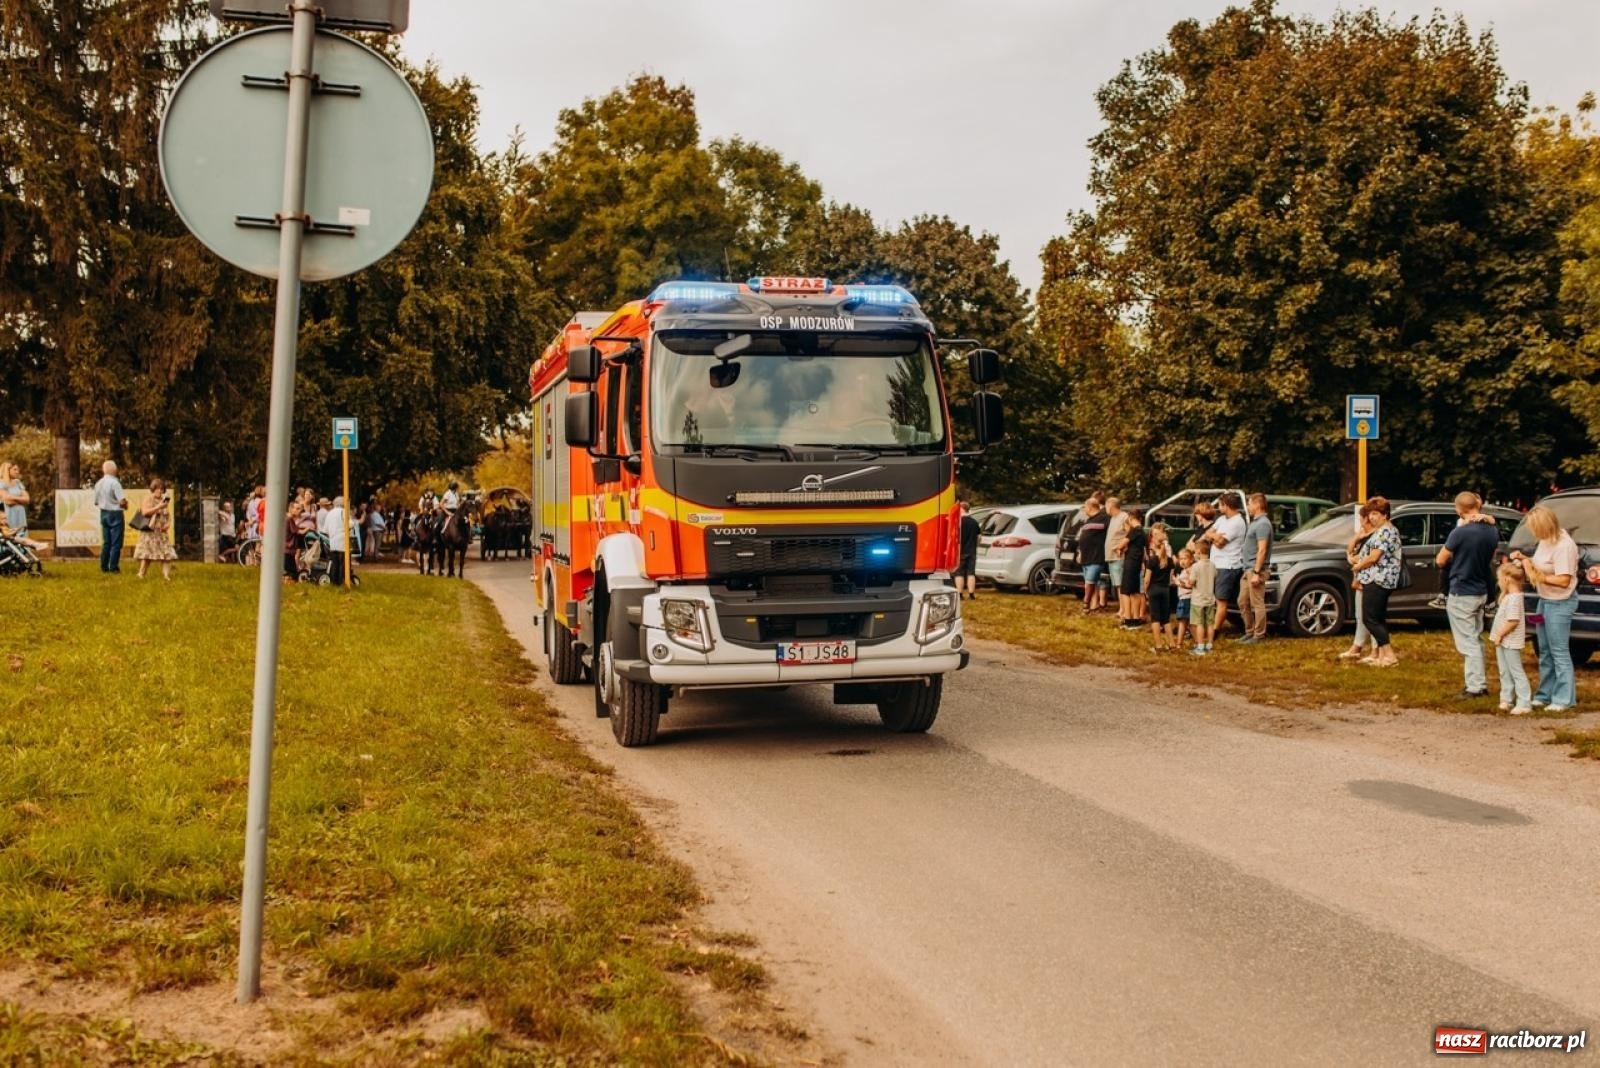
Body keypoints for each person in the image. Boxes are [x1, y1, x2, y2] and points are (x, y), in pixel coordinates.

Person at [1512, 504, 1580, 712]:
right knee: (1545, 650)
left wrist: (1536, 575)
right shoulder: (1545, 541)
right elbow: (1542, 563)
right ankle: (1545, 693)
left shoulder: (1564, 546)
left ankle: (1563, 698)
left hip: (1560, 602)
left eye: (1535, 528)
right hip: (1544, 600)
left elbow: (1563, 580)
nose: (1533, 532)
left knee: (1559, 650)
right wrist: (1525, 560)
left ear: (1544, 526)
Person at [1435, 491, 1500, 700]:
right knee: (1476, 637)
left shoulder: (1459, 533)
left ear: (1459, 509)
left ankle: (1475, 686)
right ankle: (1478, 682)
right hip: (1480, 588)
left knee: (1467, 642)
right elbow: (1491, 557)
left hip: (1461, 589)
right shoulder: (1491, 531)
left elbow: (1440, 560)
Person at [1348, 496, 1402, 667]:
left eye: (1376, 513)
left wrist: (1358, 567)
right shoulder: (1381, 531)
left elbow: (1374, 557)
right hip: (1374, 577)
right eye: (1370, 514)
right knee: (1376, 617)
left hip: (1379, 578)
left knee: (1370, 618)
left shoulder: (1387, 531)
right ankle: (1382, 656)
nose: (1372, 517)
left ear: (1385, 515)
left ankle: (1390, 656)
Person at [1490, 561, 1533, 715]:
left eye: (1499, 579)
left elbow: (1513, 621)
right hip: (1502, 641)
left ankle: (1524, 702)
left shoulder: (1515, 599)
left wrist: (1500, 634)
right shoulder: (1509, 597)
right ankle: (1506, 698)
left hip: (1509, 641)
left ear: (1507, 579)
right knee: (1504, 670)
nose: (1499, 582)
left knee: (1515, 670)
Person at [1206, 492, 1247, 637]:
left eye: (1220, 504)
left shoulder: (1237, 522)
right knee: (1216, 598)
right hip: (1216, 563)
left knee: (1221, 600)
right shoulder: (1222, 519)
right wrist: (1214, 537)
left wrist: (1215, 538)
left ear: (1227, 505)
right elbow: (1208, 533)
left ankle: (1215, 630)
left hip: (1228, 565)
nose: (1218, 507)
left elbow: (1221, 543)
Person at [1237, 493, 1274, 644]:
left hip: (1255, 569)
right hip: (1248, 569)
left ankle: (1259, 634)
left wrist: (1257, 573)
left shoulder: (1263, 524)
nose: (1248, 507)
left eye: (1250, 504)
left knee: (1257, 602)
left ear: (1258, 505)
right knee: (1242, 601)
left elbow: (1262, 549)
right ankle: (1249, 630)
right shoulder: (1255, 522)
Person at [133, 478, 177, 581]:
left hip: (162, 532)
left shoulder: (163, 500)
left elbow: (168, 515)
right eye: (157, 488)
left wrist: (168, 524)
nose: (159, 491)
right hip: (150, 532)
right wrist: (158, 506)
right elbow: (145, 512)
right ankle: (141, 574)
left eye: (161, 489)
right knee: (147, 555)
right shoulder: (148, 498)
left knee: (167, 555)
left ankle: (166, 576)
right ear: (153, 489)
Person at [1145, 522, 1176, 652]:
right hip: (1165, 589)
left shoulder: (1152, 561)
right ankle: (1172, 643)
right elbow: (1170, 577)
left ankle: (1158, 645)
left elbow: (1147, 579)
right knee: (1166, 618)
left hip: (1154, 589)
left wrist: (1146, 591)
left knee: (1155, 618)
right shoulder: (1169, 561)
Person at [1076, 498, 1111, 614]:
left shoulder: (1104, 518)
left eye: (1085, 507)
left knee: (1090, 583)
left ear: (1090, 506)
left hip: (1096, 557)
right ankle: (1094, 606)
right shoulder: (1088, 521)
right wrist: (1080, 552)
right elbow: (1084, 539)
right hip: (1086, 557)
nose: (1084, 509)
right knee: (1090, 582)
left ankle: (1085, 605)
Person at [94, 460, 129, 573]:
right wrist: (125, 504)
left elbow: (96, 502)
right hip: (115, 514)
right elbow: (122, 501)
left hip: (103, 513)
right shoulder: (115, 483)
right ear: (114, 470)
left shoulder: (98, 483)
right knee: (116, 542)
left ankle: (104, 566)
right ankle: (113, 567)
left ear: (104, 470)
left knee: (106, 542)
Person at [0, 462, 43, 550]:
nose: (17, 472)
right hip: (8, 514)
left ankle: (23, 556)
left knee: (21, 533)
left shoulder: (18, 482)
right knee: (10, 535)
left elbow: (27, 499)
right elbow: (7, 501)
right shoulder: (1, 483)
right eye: (14, 469)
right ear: (7, 470)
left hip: (20, 515)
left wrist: (13, 498)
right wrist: (20, 499)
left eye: (17, 469)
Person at [1118, 508, 1147, 629]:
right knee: (1134, 592)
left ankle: (1129, 618)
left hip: (1131, 564)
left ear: (1130, 518)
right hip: (1136, 564)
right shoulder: (1142, 532)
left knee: (1125, 591)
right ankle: (1135, 618)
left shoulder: (1135, 531)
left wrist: (1116, 548)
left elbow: (1121, 544)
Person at [1188, 540, 1217, 656]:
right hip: (1210, 598)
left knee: (1199, 623)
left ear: (1199, 552)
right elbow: (1215, 576)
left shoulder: (1195, 566)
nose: (1194, 554)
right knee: (1210, 623)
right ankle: (1209, 644)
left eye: (1195, 552)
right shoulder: (1213, 565)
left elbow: (1191, 582)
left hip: (1198, 600)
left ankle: (1200, 646)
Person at [1105, 497, 1129, 621]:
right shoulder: (1113, 519)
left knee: (1121, 584)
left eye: (1106, 506)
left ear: (1111, 506)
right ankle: (1121, 608)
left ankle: (1124, 610)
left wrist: (1121, 547)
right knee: (1117, 584)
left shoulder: (1124, 517)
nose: (1105, 509)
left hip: (1118, 556)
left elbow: (1130, 534)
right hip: (1111, 557)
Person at [955, 497, 980, 600]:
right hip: (972, 551)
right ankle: (971, 594)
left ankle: (960, 594)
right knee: (971, 573)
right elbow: (979, 538)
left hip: (960, 551)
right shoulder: (974, 522)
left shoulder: (958, 523)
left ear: (961, 509)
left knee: (959, 573)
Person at [1174, 547, 1196, 649]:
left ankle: (1179, 643)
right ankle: (1196, 642)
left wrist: (1178, 582)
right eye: (1180, 559)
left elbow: (1190, 584)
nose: (1182, 561)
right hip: (1184, 598)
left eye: (1185, 558)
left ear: (1191, 559)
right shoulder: (1184, 570)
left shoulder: (1189, 570)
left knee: (1184, 622)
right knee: (1187, 622)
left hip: (1187, 598)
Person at [325, 495, 349, 583]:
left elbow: (326, 529)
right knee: (343, 563)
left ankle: (334, 581)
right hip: (342, 541)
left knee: (335, 562)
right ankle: (342, 580)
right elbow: (350, 524)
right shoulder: (343, 511)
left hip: (332, 541)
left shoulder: (329, 513)